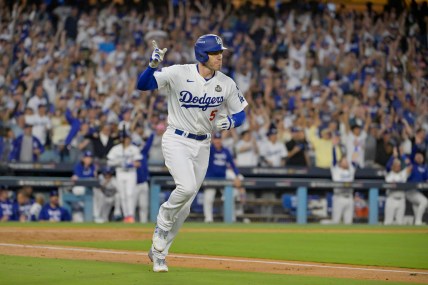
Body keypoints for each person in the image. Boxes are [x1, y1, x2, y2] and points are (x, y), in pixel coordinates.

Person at [136, 35, 247, 272]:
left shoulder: (226, 83)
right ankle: (162, 223)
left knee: (185, 207)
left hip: (203, 145)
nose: (220, 56)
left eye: (221, 52)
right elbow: (143, 85)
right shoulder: (178, 72)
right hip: (177, 138)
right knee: (185, 188)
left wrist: (231, 123)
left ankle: (159, 253)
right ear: (202, 55)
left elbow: (241, 114)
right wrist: (152, 66)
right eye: (215, 53)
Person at [203, 132, 244, 223]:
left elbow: (232, 165)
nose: (217, 141)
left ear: (221, 140)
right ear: (213, 140)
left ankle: (231, 218)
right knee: (208, 198)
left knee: (230, 196)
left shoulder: (226, 151)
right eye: (216, 139)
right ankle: (208, 219)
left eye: (219, 139)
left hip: (223, 178)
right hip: (211, 178)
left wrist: (237, 175)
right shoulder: (210, 150)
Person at [107, 130, 142, 223]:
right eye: (125, 138)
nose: (127, 140)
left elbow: (138, 163)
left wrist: (129, 164)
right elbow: (109, 162)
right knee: (122, 195)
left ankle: (131, 215)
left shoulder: (134, 148)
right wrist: (119, 162)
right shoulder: (116, 149)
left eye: (128, 138)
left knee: (130, 194)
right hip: (120, 172)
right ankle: (126, 216)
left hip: (130, 173)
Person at [330, 137, 359, 224]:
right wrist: (334, 147)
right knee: (336, 221)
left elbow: (354, 159)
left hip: (349, 197)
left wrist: (356, 147)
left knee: (349, 222)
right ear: (340, 163)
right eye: (344, 161)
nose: (346, 162)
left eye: (346, 161)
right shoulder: (336, 170)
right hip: (339, 197)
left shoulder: (351, 170)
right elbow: (334, 159)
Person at [384, 149, 413, 225]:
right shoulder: (389, 174)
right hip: (391, 199)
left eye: (399, 165)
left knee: (400, 223)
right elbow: (387, 166)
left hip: (401, 200)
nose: (398, 167)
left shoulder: (403, 173)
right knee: (388, 222)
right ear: (393, 166)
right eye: (396, 165)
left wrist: (403, 156)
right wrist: (393, 157)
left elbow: (410, 166)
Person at [135, 132, 154, 223]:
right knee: (133, 205)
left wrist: (152, 133)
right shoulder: (131, 155)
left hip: (143, 183)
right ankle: (130, 223)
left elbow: (149, 144)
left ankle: (143, 222)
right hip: (133, 184)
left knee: (144, 205)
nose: (138, 147)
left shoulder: (143, 153)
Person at [406, 152, 428, 225]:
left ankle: (417, 223)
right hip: (410, 190)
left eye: (420, 157)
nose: (419, 158)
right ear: (414, 158)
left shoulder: (425, 167)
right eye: (417, 156)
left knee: (417, 205)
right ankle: (418, 221)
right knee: (424, 201)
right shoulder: (412, 165)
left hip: (417, 191)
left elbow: (426, 178)